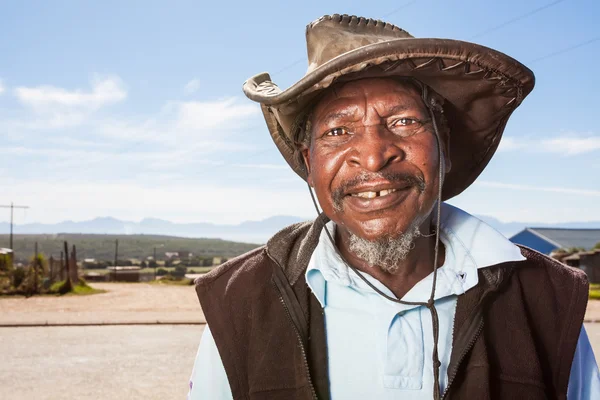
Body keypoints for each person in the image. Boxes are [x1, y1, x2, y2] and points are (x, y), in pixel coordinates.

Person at [188, 14, 600, 400]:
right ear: (309, 163)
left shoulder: (547, 300)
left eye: (404, 122)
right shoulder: (241, 299)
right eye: (337, 130)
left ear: (445, 148)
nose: (372, 157)